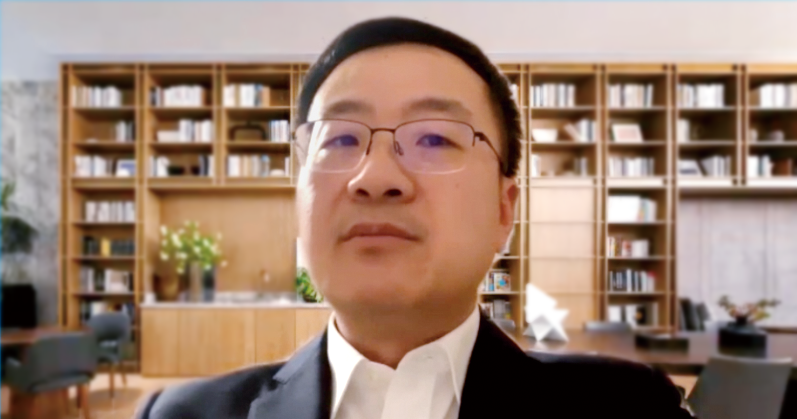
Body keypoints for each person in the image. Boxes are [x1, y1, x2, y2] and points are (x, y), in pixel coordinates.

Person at [135, 17, 693, 419]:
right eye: (341, 139)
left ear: (505, 209)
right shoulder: (180, 415)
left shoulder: (631, 407)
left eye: (434, 138)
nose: (375, 176)